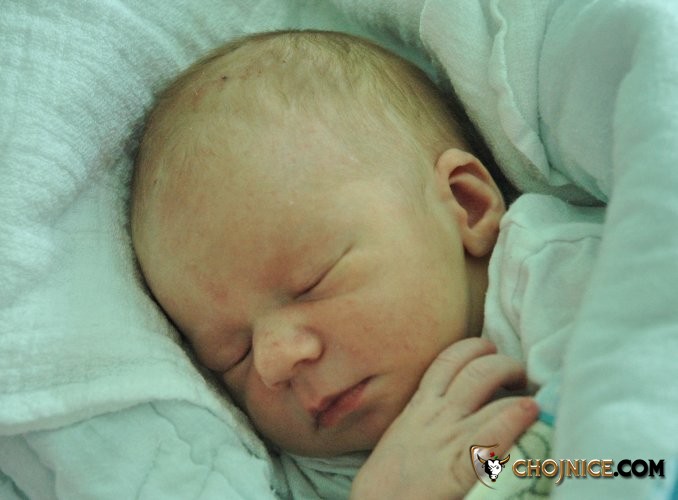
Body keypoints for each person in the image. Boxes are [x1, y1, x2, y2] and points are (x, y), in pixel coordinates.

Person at [130, 30, 545, 498]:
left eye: (313, 282)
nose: (274, 362)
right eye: (232, 356)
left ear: (466, 204)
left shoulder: (559, 281)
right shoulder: (298, 480)